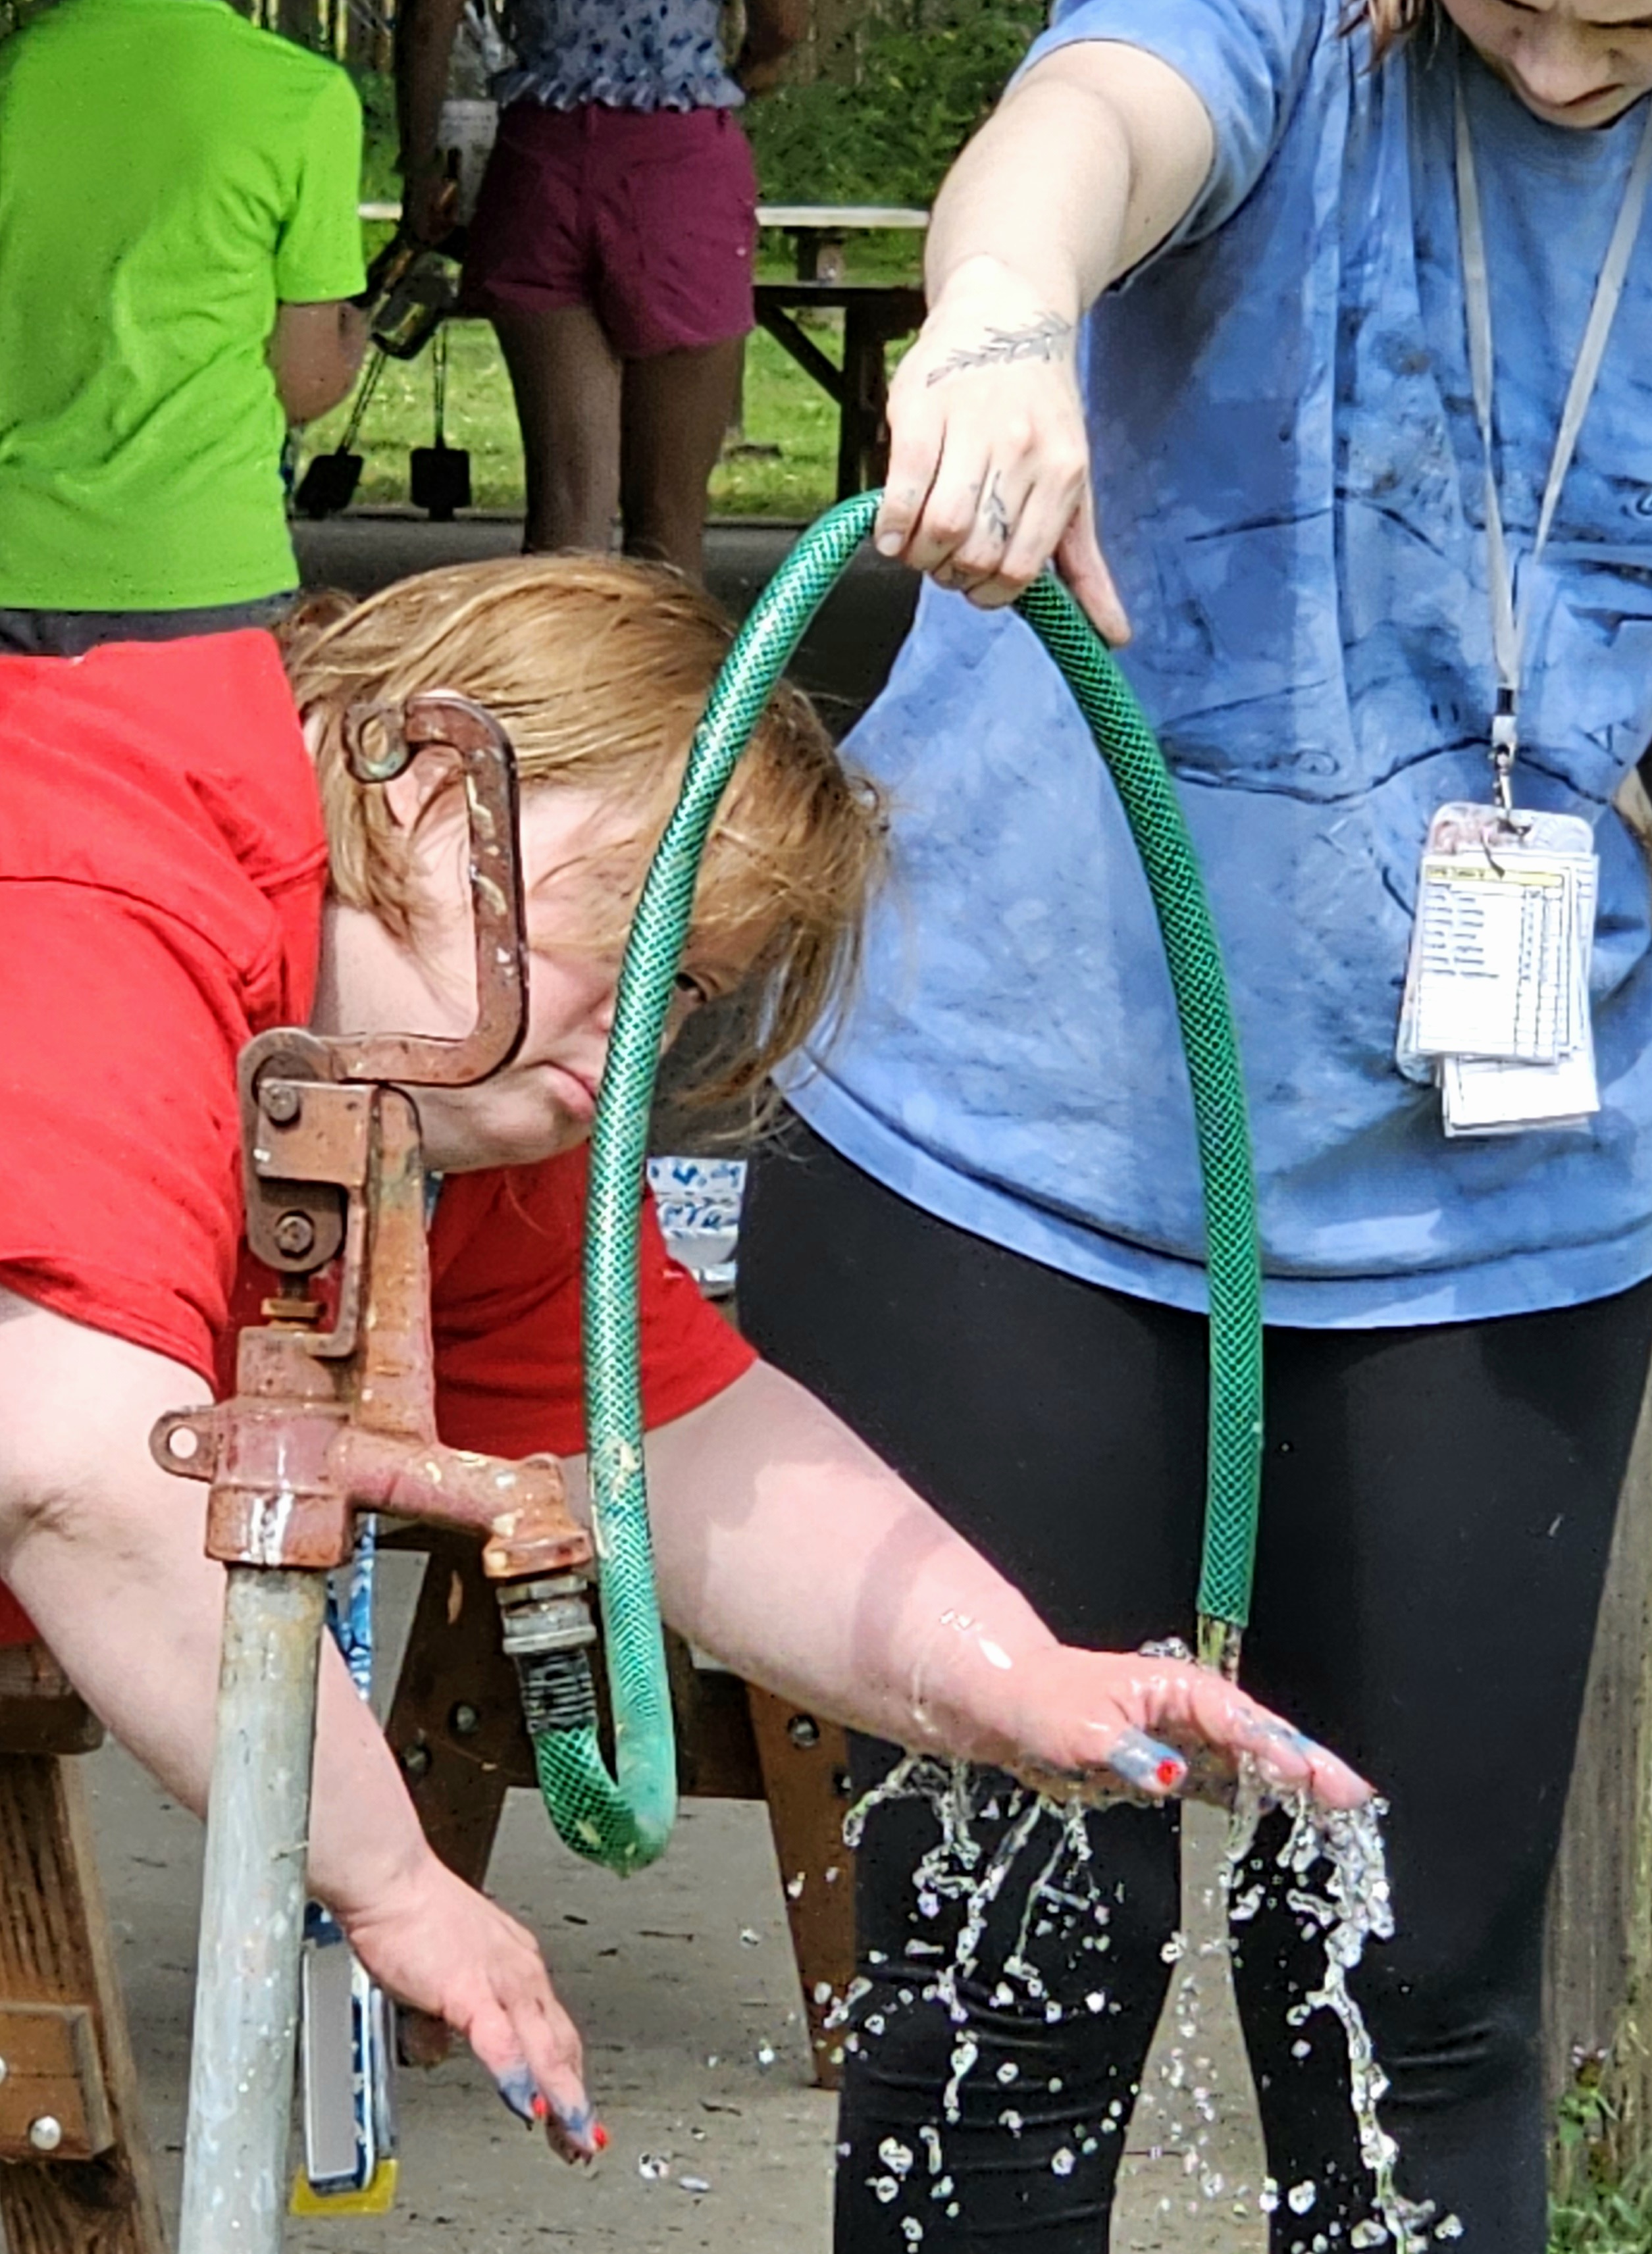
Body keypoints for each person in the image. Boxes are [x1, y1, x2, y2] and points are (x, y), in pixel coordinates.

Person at [733, 0, 1652, 2254]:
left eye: (1648, 21)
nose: (1565, 68)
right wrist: (1002, 325)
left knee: (1422, 2003)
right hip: (1011, 1166)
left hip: (1493, 1220)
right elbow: (1078, 136)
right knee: (1014, 1995)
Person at [0, 562, 1364, 2159]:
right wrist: (392, 1878)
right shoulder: (102, 876)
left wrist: (1019, 1679)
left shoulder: (450, 1070)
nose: (637, 1044)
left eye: (687, 989)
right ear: (436, 783)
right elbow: (78, 1461)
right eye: (633, 941)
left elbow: (675, 1440)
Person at [393, 0, 808, 578]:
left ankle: (555, 649)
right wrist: (746, 73)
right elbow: (781, 20)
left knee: (565, 510)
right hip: (677, 157)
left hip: (539, 156)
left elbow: (427, 21)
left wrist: (418, 170)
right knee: (667, 524)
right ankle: (666, 651)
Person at [0, 0, 367, 653]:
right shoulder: (303, 98)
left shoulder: (13, 78)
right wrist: (352, 339)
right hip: (205, 567)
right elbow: (305, 383)